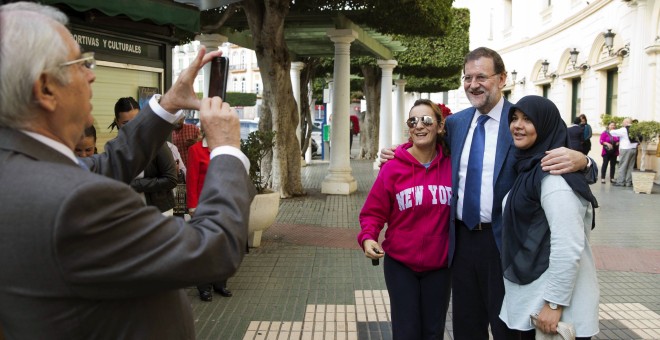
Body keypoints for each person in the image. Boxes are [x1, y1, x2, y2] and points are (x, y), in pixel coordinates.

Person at [0, 3, 255, 339]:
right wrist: (225, 149)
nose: (91, 74)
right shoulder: (75, 202)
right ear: (46, 89)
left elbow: (105, 165)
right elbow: (214, 249)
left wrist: (167, 105)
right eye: (80, 64)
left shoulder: (20, 166)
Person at [380, 47, 595, 339]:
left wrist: (586, 162)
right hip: (460, 242)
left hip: (505, 245)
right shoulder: (456, 124)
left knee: (509, 328)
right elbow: (424, 144)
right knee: (466, 328)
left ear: (502, 78)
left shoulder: (522, 123)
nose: (472, 84)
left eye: (481, 76)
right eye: (467, 77)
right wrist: (393, 154)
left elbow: (559, 153)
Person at [501, 95, 599, 339]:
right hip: (533, 299)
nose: (517, 125)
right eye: (514, 118)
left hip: (552, 310)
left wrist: (554, 304)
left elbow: (568, 245)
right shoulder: (531, 169)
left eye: (528, 119)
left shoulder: (553, 178)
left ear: (545, 125)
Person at [359, 99, 452, 339]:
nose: (419, 125)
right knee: (406, 331)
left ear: (440, 127)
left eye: (427, 120)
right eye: (413, 121)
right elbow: (373, 211)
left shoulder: (453, 166)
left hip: (440, 266)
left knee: (433, 331)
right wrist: (368, 237)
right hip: (401, 265)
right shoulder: (392, 167)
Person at [110, 97, 178, 215]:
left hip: (159, 211)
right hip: (128, 211)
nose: (133, 127)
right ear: (117, 122)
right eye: (126, 123)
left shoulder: (156, 141)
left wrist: (135, 185)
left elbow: (171, 179)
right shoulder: (114, 147)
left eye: (136, 120)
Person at [187, 133, 233, 302]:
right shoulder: (196, 150)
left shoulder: (226, 150)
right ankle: (204, 287)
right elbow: (191, 178)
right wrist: (192, 206)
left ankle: (220, 283)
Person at [610, 118, 637, 187]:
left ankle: (620, 181)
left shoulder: (624, 129)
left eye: (623, 122)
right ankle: (628, 182)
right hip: (634, 149)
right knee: (630, 166)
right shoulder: (635, 129)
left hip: (625, 149)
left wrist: (611, 128)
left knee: (622, 165)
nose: (622, 123)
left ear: (626, 122)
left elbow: (612, 132)